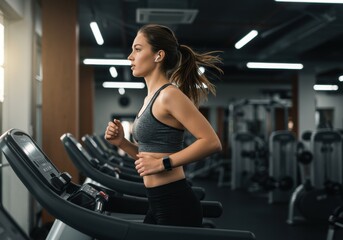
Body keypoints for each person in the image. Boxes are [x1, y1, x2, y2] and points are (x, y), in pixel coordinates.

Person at [104, 24, 223, 227]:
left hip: (175, 202)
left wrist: (163, 164)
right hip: (157, 200)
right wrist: (121, 142)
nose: (130, 57)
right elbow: (147, 157)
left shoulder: (169, 95)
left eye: (138, 49)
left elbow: (212, 142)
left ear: (158, 55)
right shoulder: (149, 99)